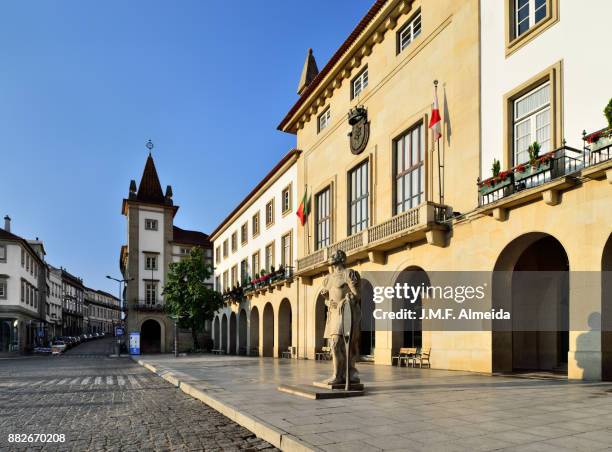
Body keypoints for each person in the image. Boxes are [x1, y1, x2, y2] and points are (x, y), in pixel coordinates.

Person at [320, 250, 361, 385]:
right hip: (332, 314)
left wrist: (347, 298)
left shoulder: (348, 273)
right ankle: (340, 374)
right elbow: (329, 298)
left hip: (345, 312)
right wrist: (327, 300)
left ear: (341, 259)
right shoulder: (329, 278)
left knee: (340, 344)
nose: (331, 257)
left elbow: (356, 295)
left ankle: (343, 374)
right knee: (335, 345)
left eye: (334, 255)